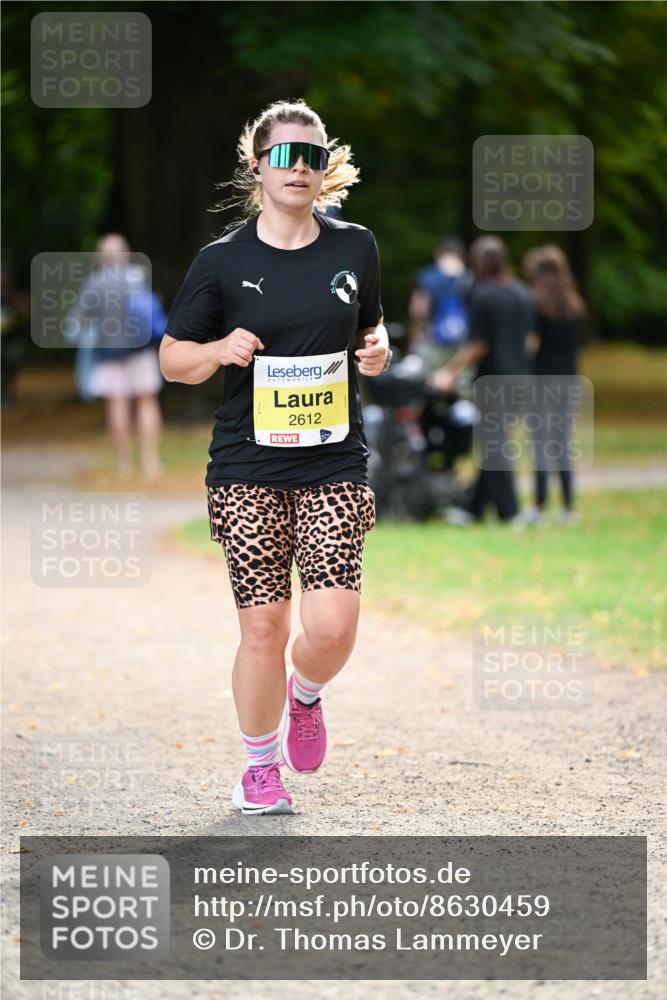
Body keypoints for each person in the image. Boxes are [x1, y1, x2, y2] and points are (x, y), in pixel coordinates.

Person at [159, 99, 389, 816]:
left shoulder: (355, 248)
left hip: (331, 464)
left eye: (312, 157)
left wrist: (380, 353)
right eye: (284, 156)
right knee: (263, 626)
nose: (298, 169)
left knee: (330, 629)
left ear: (324, 170)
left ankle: (306, 694)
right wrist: (217, 349)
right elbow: (171, 361)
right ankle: (259, 768)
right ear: (257, 165)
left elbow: (372, 335)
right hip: (245, 467)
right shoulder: (221, 261)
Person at [432, 236, 534, 524]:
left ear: (478, 262)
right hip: (520, 376)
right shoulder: (521, 292)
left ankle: (510, 512)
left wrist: (449, 371)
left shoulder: (483, 294)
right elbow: (531, 340)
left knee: (494, 445)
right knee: (494, 442)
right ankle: (474, 509)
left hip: (493, 379)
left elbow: (478, 344)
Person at [70, 234, 165, 479]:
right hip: (141, 350)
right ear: (125, 254)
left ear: (101, 257)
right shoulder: (137, 277)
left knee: (117, 404)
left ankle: (123, 464)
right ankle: (150, 462)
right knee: (147, 402)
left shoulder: (94, 283)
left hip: (109, 353)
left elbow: (77, 322)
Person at [522, 244, 587, 525]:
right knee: (562, 444)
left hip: (541, 381)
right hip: (569, 380)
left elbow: (531, 346)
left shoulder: (535, 306)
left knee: (541, 444)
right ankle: (568, 507)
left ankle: (538, 505)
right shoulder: (575, 305)